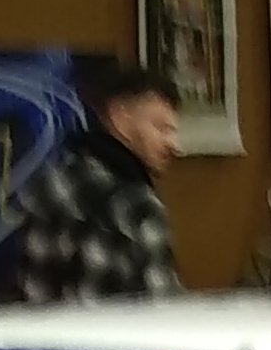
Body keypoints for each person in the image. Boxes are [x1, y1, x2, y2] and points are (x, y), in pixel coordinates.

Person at [14, 63, 184, 303]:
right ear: (119, 116)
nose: (175, 145)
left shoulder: (49, 183)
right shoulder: (137, 206)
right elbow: (164, 309)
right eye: (161, 128)